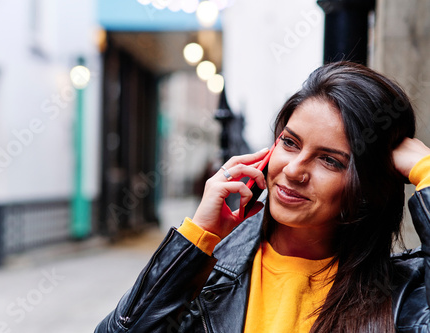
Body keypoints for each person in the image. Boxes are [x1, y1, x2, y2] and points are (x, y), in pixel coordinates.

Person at [94, 61, 430, 332]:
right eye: (290, 142)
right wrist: (197, 238)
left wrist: (426, 171)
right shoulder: (207, 272)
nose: (295, 170)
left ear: (367, 187)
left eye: (330, 160)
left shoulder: (403, 296)